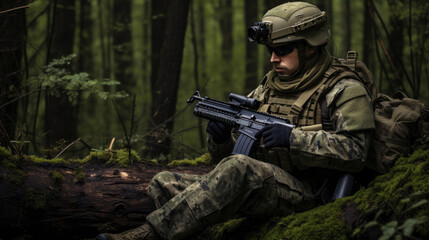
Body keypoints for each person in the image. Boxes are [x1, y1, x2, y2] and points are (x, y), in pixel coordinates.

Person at [96, 2, 375, 240]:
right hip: (261, 185)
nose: (273, 59)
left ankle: (149, 235)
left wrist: (293, 139)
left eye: (283, 50)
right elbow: (227, 158)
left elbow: (357, 152)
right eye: (270, 51)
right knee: (163, 182)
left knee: (240, 168)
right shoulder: (269, 86)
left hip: (310, 192)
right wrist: (219, 138)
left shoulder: (344, 88)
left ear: (310, 48)